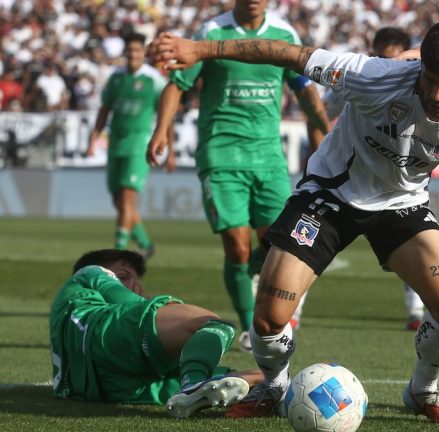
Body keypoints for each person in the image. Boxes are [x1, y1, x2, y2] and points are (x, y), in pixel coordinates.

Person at [149, 20, 439, 426]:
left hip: (401, 206)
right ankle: (273, 389)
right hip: (329, 196)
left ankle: (424, 391)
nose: (437, 96)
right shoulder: (374, 76)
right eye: (429, 80)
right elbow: (287, 53)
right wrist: (200, 49)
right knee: (268, 317)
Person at [146, 0, 330, 350]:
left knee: (276, 244)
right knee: (237, 246)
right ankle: (251, 327)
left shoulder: (283, 34)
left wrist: (325, 128)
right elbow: (177, 84)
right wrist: (160, 131)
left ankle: (268, 302)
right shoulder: (211, 33)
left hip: (268, 158)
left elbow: (305, 89)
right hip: (221, 154)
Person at [49, 249, 265, 419]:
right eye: (123, 276)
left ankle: (273, 389)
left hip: (99, 389)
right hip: (101, 333)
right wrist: (163, 307)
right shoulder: (88, 271)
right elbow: (128, 301)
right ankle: (193, 383)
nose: (136, 286)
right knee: (215, 325)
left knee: (260, 381)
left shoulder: (61, 317)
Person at [308, 26, 425, 331]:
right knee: (309, 248)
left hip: (396, 184)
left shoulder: (419, 84)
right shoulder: (358, 78)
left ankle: (416, 312)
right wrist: (322, 150)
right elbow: (320, 113)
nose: (389, 62)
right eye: (383, 55)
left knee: (410, 254)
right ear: (375, 52)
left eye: (394, 56)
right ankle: (293, 314)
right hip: (346, 182)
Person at [87, 32, 169, 258]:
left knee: (127, 197)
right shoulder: (115, 78)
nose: (133, 54)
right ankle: (145, 244)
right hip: (116, 144)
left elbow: (166, 112)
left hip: (139, 144)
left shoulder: (154, 80)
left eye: (137, 50)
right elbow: (105, 110)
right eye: (129, 50)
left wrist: (165, 142)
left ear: (144, 53)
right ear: (125, 53)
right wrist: (95, 136)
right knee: (119, 201)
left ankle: (119, 252)